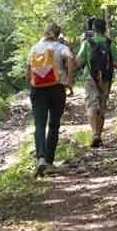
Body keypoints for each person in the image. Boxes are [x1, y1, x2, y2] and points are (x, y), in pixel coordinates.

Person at [26, 21, 75, 176]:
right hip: (56, 88)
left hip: (38, 89)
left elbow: (28, 68)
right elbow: (70, 58)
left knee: (39, 125)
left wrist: (31, 85)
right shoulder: (60, 47)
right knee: (53, 124)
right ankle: (49, 161)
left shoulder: (34, 48)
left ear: (44, 32)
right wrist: (69, 80)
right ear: (58, 34)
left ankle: (40, 158)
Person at [75, 17, 117, 148]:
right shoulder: (109, 43)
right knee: (102, 105)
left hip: (90, 78)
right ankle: (99, 135)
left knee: (91, 104)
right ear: (105, 29)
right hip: (105, 78)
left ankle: (95, 134)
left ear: (93, 29)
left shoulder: (87, 43)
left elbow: (78, 61)